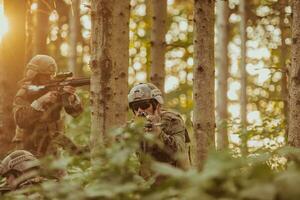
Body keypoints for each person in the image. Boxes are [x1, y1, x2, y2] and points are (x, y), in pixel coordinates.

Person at [12, 55, 84, 157]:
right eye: (45, 76)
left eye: (51, 75)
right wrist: (40, 101)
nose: (50, 78)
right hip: (28, 149)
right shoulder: (25, 92)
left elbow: (76, 113)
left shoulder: (55, 90)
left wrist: (72, 99)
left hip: (52, 148)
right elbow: (21, 120)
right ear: (35, 75)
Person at [128, 83, 190, 178]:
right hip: (148, 185)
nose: (140, 110)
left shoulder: (172, 120)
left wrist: (158, 132)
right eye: (135, 107)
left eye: (144, 105)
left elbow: (178, 152)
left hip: (175, 182)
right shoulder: (132, 126)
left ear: (156, 105)